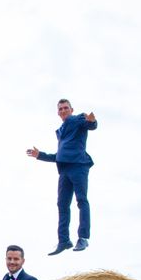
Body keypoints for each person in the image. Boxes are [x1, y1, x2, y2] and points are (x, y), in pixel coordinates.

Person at [27, 99, 98, 255]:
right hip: (64, 169)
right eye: (60, 109)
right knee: (62, 204)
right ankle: (64, 240)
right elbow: (59, 156)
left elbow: (90, 125)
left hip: (78, 166)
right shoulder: (60, 130)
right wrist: (40, 155)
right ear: (58, 112)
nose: (63, 110)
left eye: (66, 108)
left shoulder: (77, 119)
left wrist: (92, 121)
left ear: (71, 110)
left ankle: (83, 238)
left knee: (81, 200)